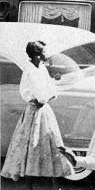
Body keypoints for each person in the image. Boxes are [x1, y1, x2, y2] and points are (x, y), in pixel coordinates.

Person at [0, 40, 74, 185]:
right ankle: (32, 184)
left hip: (43, 111)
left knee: (51, 145)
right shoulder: (31, 71)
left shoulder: (40, 67)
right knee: (32, 147)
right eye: (45, 52)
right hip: (36, 112)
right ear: (37, 55)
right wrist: (49, 94)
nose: (48, 54)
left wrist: (50, 93)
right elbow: (42, 97)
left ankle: (53, 183)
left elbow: (50, 91)